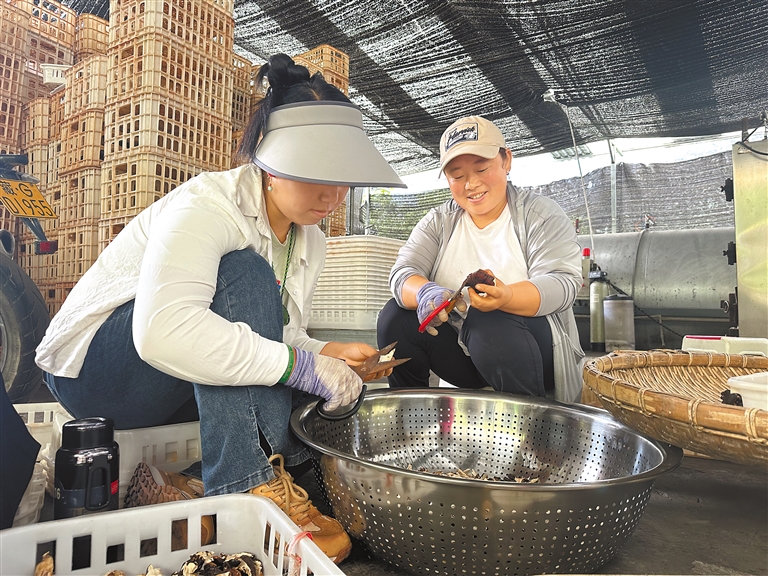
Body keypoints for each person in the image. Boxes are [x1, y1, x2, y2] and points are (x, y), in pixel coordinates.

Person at [35, 53, 405, 564]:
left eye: (342, 178)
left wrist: (325, 353)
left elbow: (273, 332)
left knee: (288, 374)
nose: (331, 194)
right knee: (243, 271)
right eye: (314, 172)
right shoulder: (208, 204)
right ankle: (245, 486)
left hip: (171, 377)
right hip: (97, 374)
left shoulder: (311, 240)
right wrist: (301, 366)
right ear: (268, 160)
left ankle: (196, 485)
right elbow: (163, 331)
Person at [377, 115, 584, 402]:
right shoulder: (439, 222)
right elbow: (403, 272)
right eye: (457, 176)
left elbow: (562, 283)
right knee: (395, 317)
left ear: (506, 160)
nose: (471, 184)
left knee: (489, 318)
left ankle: (528, 420)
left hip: (532, 356)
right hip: (465, 359)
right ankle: (410, 414)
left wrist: (508, 297)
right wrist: (426, 292)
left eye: (482, 168)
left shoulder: (540, 215)